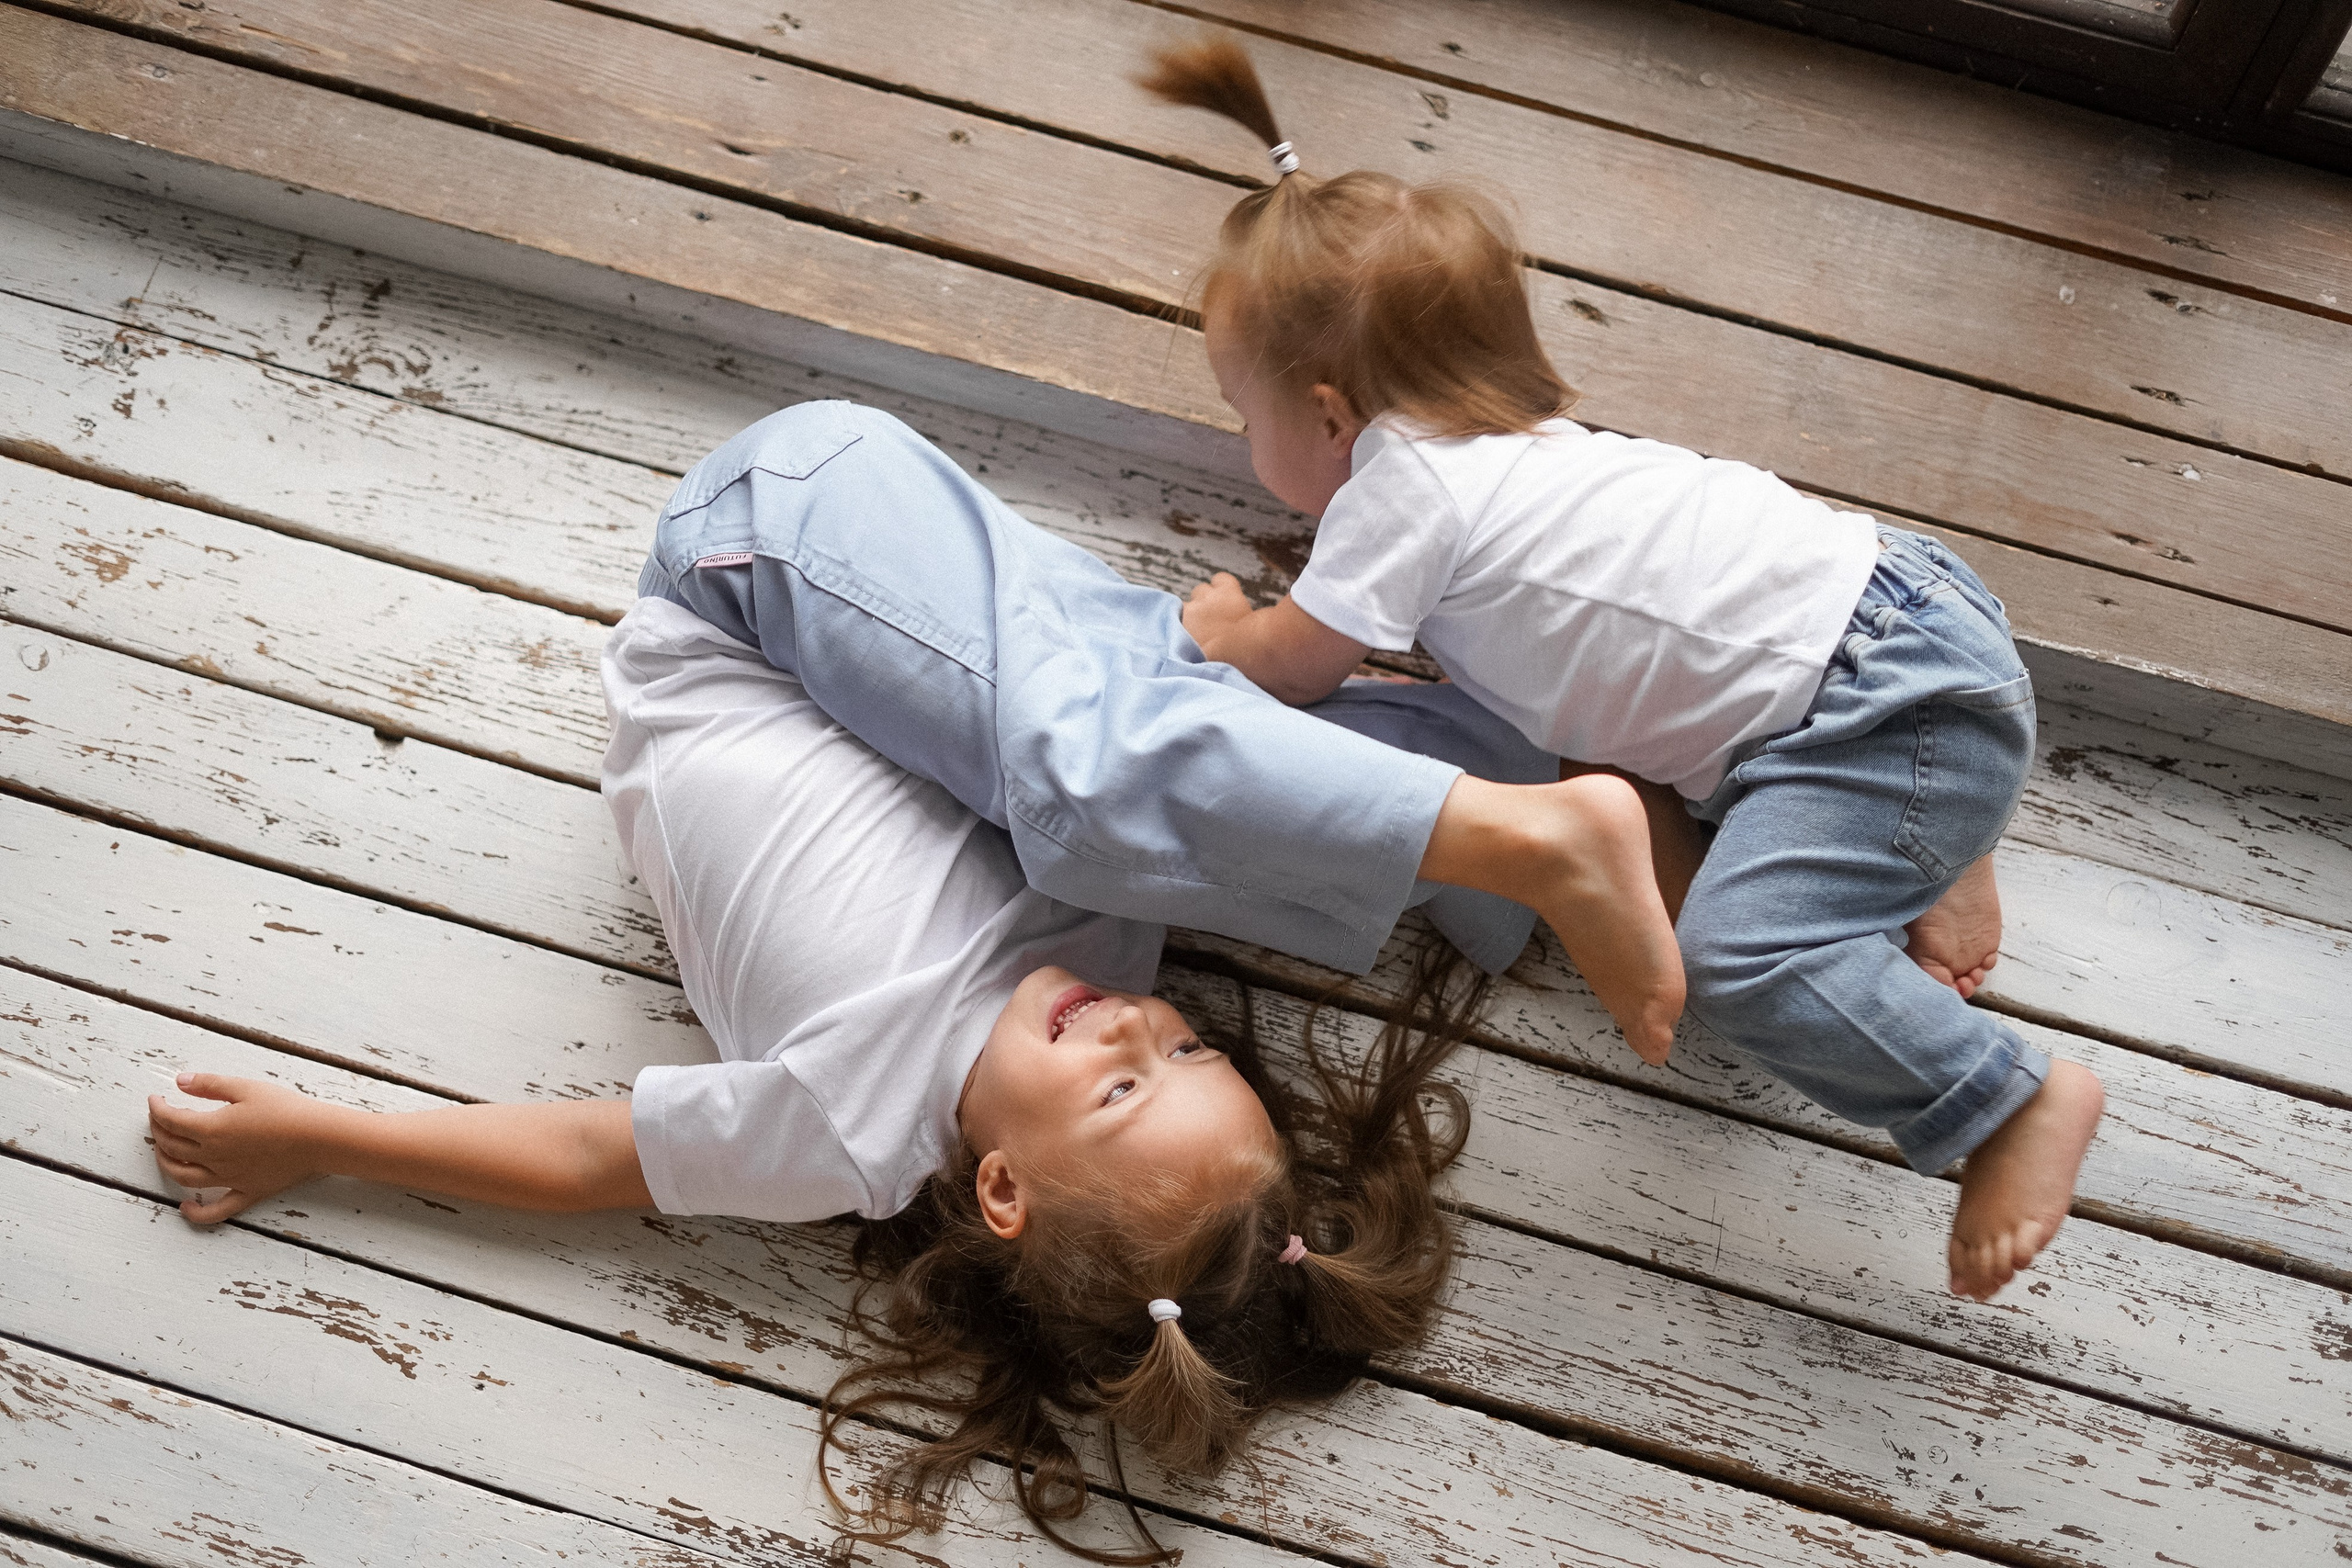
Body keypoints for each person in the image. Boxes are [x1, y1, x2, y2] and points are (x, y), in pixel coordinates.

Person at [143, 400, 1690, 1563]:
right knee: (1146, 828)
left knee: (1101, 810)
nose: (1145, 1021)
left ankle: (1517, 820)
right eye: (1193, 1052)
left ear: (1004, 1190)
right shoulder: (1104, 960)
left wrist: (322, 1140)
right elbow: (1161, 796)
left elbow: (584, 1157)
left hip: (755, 577)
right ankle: (1538, 840)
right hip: (913, 599)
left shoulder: (844, 1134)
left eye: (1122, 1083)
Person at [1141, 39, 2106, 1304]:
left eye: (1242, 412)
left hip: (1874, 707)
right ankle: (1932, 840)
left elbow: (1301, 668)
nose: (1242, 437)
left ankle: (2005, 1096)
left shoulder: (1400, 485)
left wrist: (1226, 630)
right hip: (1898, 630)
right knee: (1636, 746)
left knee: (1740, 955)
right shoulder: (1517, 452)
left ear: (1329, 415)